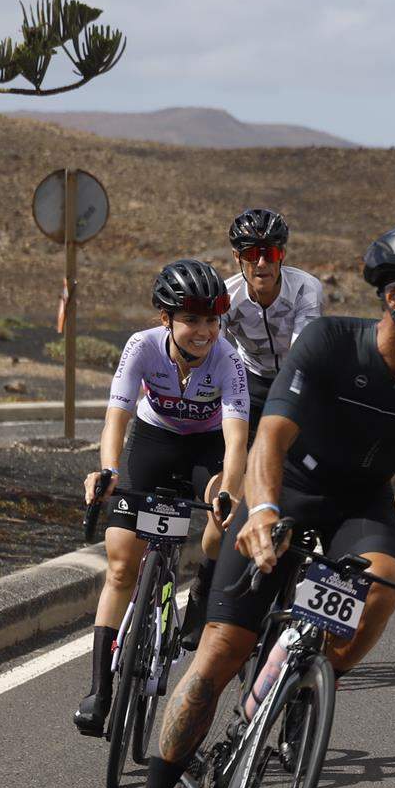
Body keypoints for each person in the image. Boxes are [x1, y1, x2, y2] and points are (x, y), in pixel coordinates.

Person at [114, 224, 395, 788]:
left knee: (386, 575)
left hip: (362, 504)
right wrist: (258, 512)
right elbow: (270, 439)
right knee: (220, 653)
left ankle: (309, 683)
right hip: (287, 489)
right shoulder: (329, 342)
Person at [75, 260, 250, 737]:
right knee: (119, 565)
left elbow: (236, 443)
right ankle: (99, 690)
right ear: (165, 318)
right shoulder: (141, 347)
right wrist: (108, 471)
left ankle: (203, 593)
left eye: (213, 320)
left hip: (206, 448)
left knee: (222, 509)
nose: (204, 331)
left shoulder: (229, 361)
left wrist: (228, 490)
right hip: (154, 442)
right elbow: (118, 417)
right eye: (192, 319)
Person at [219, 208, 325, 428]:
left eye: (270, 254)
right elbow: (213, 352)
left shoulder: (305, 289)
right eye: (251, 254)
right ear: (236, 257)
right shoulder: (226, 296)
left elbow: (302, 355)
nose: (261, 263)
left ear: (282, 255)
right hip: (251, 379)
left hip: (298, 376)